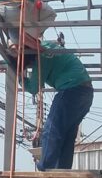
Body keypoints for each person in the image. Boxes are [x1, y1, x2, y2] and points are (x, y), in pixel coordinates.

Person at [22, 42, 94, 170]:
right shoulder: (48, 46)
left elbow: (33, 88)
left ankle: (45, 167)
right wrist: (5, 62)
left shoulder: (42, 57)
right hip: (86, 93)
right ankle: (62, 170)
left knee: (52, 129)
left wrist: (19, 76)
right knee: (67, 136)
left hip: (71, 90)